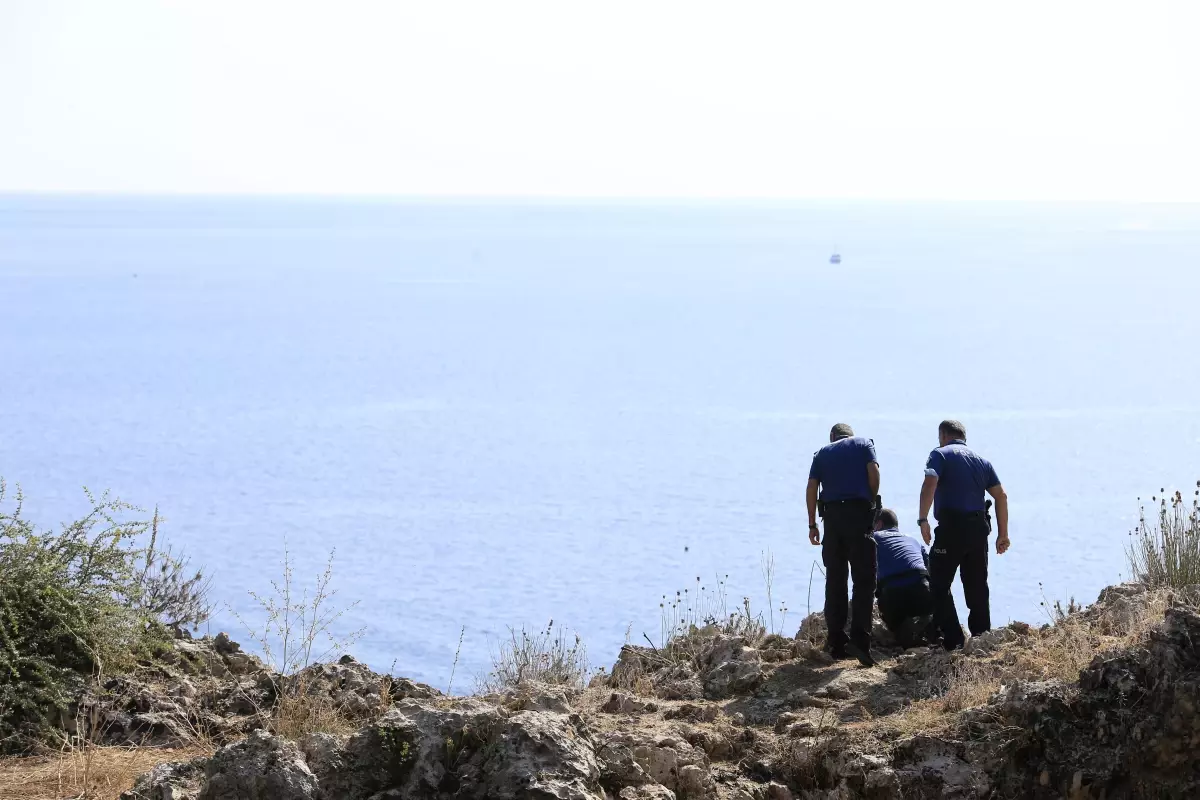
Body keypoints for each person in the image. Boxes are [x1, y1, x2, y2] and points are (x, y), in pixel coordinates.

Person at [918, 419, 1010, 650]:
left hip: (952, 528)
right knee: (977, 585)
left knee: (938, 582)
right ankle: (981, 640)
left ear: (943, 435)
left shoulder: (940, 454)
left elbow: (930, 482)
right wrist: (1003, 535)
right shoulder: (981, 461)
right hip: (979, 530)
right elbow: (1001, 496)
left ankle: (953, 639)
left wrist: (923, 519)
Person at [807, 423, 880, 666]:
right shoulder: (863, 444)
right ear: (850, 434)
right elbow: (873, 472)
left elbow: (811, 488)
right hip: (858, 515)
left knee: (835, 580)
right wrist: (870, 501)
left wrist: (812, 524)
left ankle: (836, 641)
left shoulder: (822, 452)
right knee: (864, 580)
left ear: (832, 437)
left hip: (833, 519)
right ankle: (860, 641)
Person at [871, 508, 935, 648]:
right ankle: (929, 632)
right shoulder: (913, 540)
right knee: (928, 620)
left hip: (893, 596)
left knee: (902, 632)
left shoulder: (874, 537)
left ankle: (905, 638)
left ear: (879, 524)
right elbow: (930, 571)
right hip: (922, 591)